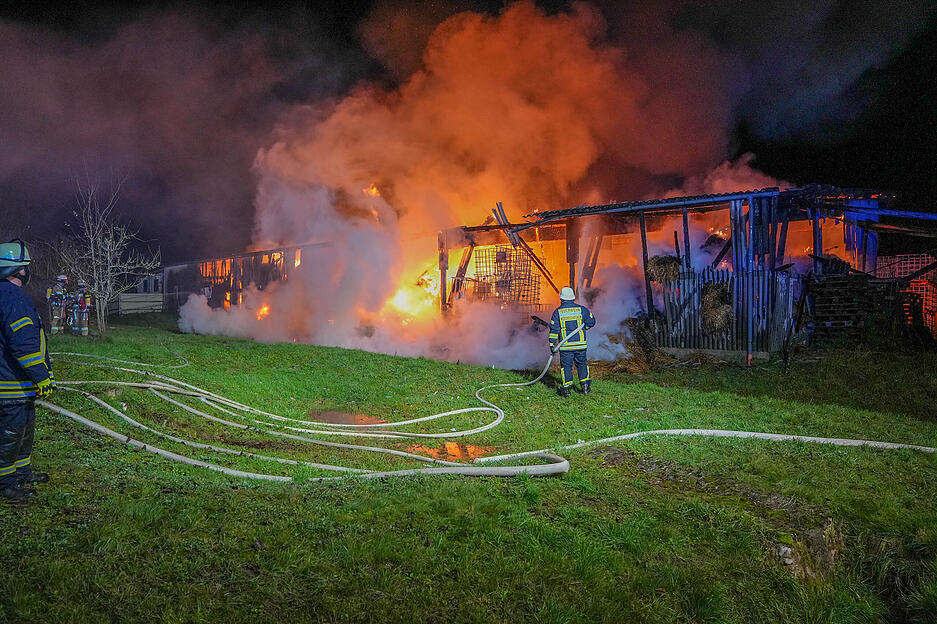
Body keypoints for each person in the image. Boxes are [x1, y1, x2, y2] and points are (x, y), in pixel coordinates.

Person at [0, 239, 54, 503]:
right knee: (10, 435)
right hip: (11, 384)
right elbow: (24, 346)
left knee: (24, 430)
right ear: (19, 270)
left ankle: (22, 472)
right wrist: (43, 377)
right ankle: (6, 483)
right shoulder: (14, 299)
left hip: (16, 384)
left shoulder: (5, 296)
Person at [549, 286, 595, 397]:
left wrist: (552, 344)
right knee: (582, 365)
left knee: (567, 367)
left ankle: (567, 390)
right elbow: (592, 321)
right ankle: (585, 387)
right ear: (573, 298)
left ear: (561, 299)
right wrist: (584, 329)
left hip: (566, 347)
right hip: (580, 346)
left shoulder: (557, 312)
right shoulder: (582, 310)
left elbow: (554, 330)